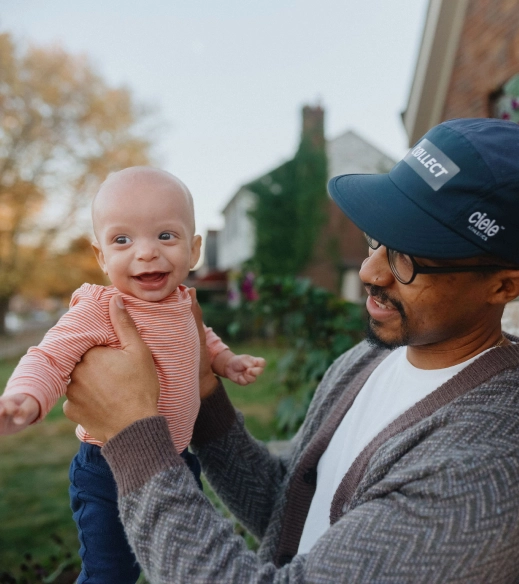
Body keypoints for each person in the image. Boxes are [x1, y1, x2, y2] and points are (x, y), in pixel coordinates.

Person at [64, 118, 519, 583]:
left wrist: (134, 439)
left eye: (408, 258)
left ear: (504, 284)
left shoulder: (487, 472)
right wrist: (202, 391)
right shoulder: (368, 359)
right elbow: (284, 511)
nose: (369, 271)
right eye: (377, 238)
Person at [0, 167, 266, 583]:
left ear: (194, 250)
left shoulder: (181, 301)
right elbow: (50, 356)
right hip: (107, 467)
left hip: (172, 458)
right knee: (111, 572)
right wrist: (26, 396)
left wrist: (225, 360)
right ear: (101, 257)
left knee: (173, 559)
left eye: (165, 236)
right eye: (122, 240)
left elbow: (202, 339)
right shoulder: (100, 309)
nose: (146, 252)